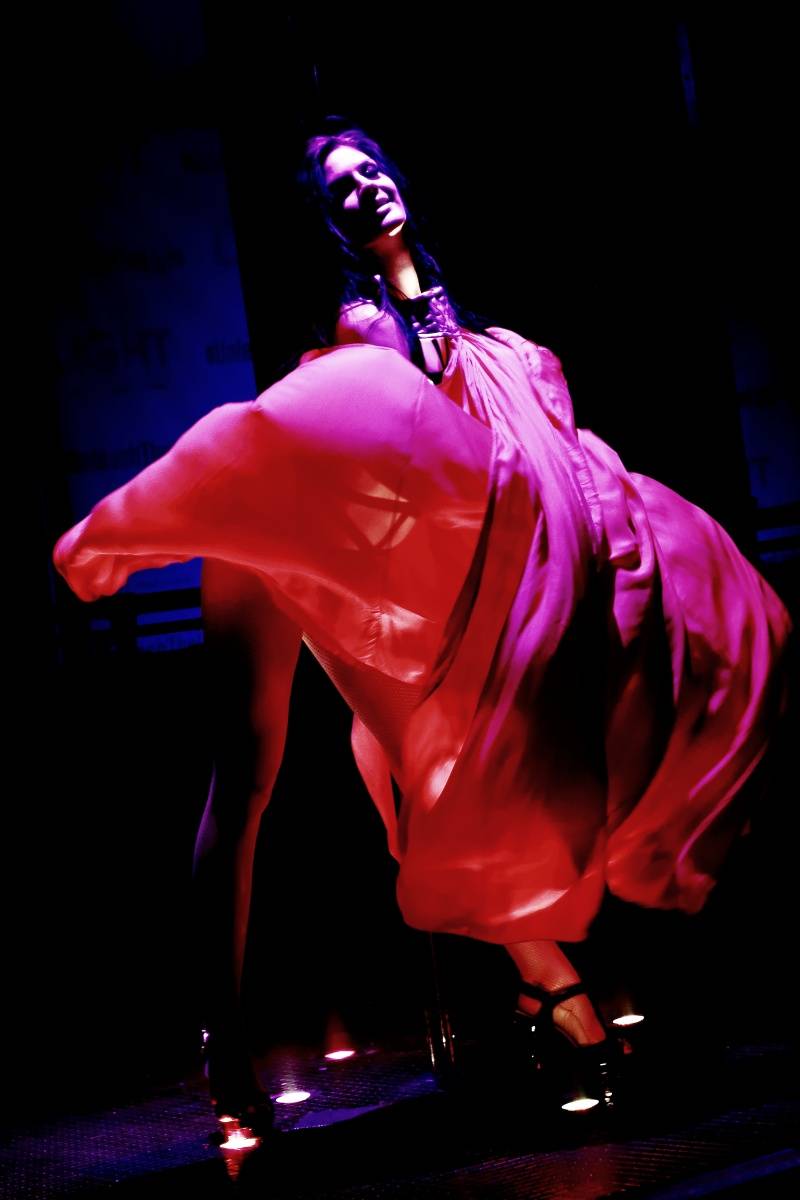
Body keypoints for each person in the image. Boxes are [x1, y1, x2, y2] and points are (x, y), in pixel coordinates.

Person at [53, 127, 792, 1130]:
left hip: (395, 571)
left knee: (467, 756)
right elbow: (396, 427)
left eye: (371, 169)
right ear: (325, 223)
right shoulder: (360, 329)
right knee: (246, 780)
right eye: (339, 187)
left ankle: (553, 995)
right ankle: (224, 1048)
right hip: (279, 527)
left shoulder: (471, 334)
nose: (364, 188)